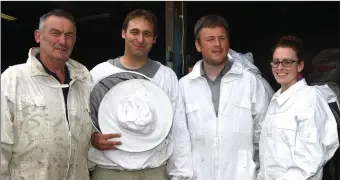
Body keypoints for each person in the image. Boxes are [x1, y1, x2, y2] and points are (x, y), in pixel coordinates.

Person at [88, 9, 192, 180]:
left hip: (154, 171)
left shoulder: (166, 76)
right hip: (109, 172)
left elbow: (178, 130)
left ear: (154, 39)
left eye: (147, 34)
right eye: (134, 32)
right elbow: (81, 122)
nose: (140, 39)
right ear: (123, 33)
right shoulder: (99, 74)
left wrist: (181, 175)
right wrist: (92, 139)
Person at [0, 9, 93, 180]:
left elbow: (89, 134)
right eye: (55, 33)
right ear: (38, 36)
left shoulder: (84, 79)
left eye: (69, 35)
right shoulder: (14, 78)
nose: (63, 41)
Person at [178, 14, 272, 180]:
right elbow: (178, 138)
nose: (217, 44)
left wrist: (260, 173)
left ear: (228, 43)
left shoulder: (249, 82)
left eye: (222, 38)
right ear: (198, 45)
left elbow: (264, 133)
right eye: (210, 39)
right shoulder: (184, 86)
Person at [257, 36, 339, 180]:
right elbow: (268, 158)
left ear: (300, 65)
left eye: (287, 62)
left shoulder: (308, 99)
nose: (280, 67)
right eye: (276, 62)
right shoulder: (276, 101)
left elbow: (309, 160)